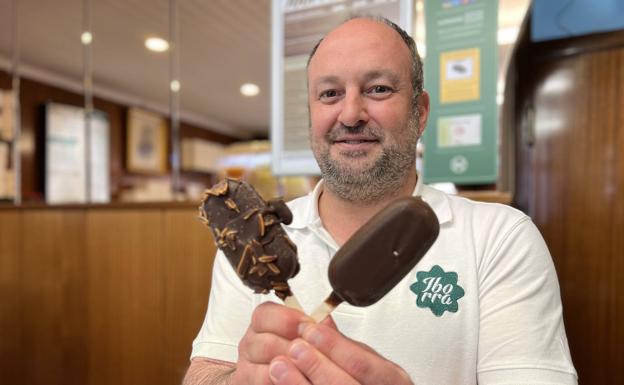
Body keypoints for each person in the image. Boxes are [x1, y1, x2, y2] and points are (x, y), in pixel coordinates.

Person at [183, 17, 578, 385]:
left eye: (378, 89)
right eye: (330, 93)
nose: (351, 113)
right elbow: (205, 372)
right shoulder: (259, 239)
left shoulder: (500, 238)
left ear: (420, 112)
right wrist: (240, 381)